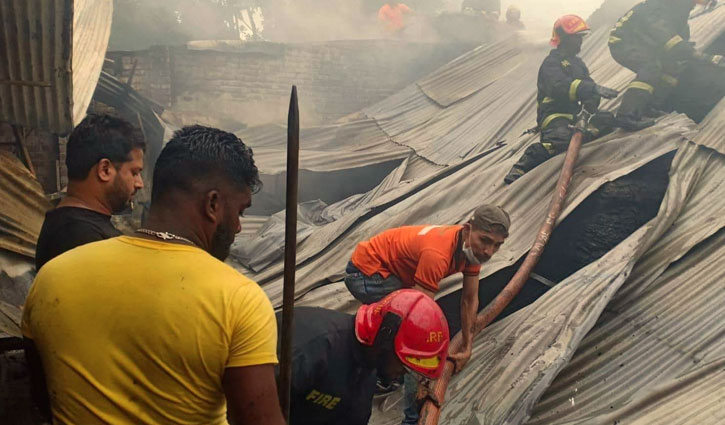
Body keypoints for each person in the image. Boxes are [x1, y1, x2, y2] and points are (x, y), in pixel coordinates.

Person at [22, 125, 285, 425]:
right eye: (240, 211)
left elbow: (43, 396)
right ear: (212, 204)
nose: (238, 227)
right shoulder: (240, 300)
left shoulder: (51, 277)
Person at [344, 204, 509, 424]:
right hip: (367, 273)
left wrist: (468, 347)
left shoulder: (472, 254)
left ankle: (386, 369)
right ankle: (408, 415)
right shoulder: (438, 253)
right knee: (402, 329)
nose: (489, 252)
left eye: (497, 245)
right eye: (485, 240)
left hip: (393, 274)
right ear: (468, 229)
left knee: (403, 333)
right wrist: (424, 380)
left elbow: (469, 300)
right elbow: (416, 325)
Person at [281, 289, 449, 425]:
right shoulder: (310, 348)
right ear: (386, 339)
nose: (403, 373)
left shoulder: (363, 385)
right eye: (403, 365)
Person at [504, 15, 620, 184]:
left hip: (575, 115)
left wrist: (589, 107)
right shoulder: (551, 63)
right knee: (562, 138)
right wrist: (591, 89)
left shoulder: (578, 64)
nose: (580, 42)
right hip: (554, 115)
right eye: (576, 38)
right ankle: (524, 163)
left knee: (607, 119)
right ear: (564, 38)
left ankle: (584, 134)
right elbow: (559, 87)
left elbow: (590, 89)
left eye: (581, 37)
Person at [34, 113, 145, 270]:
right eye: (134, 173)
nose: (139, 184)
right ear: (105, 170)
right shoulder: (80, 237)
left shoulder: (73, 227)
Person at [609, 0, 724, 130]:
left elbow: (679, 35)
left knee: (672, 68)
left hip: (647, 43)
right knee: (650, 69)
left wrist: (686, 49)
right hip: (624, 42)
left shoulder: (681, 9)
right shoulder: (661, 5)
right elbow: (662, 32)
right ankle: (625, 116)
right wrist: (702, 56)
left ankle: (649, 107)